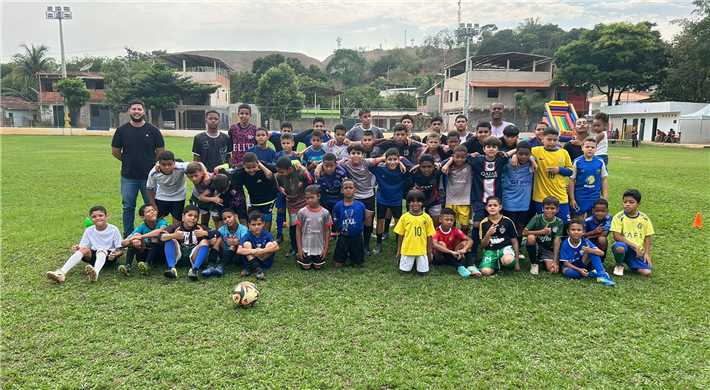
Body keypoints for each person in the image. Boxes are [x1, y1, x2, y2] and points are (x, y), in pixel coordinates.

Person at [111, 100, 165, 237]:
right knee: (128, 207)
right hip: (128, 176)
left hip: (149, 177)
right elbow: (115, 151)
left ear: (144, 111)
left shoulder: (153, 130)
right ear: (129, 111)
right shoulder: (122, 131)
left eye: (139, 109)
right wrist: (128, 160)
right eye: (134, 109)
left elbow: (160, 150)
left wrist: (152, 163)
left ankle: (154, 234)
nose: (136, 111)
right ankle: (129, 235)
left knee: (152, 207)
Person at [323, 143, 384, 255]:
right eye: (353, 153)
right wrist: (318, 167)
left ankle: (365, 245)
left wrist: (400, 162)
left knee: (368, 221)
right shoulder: (345, 163)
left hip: (368, 195)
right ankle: (350, 245)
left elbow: (384, 157)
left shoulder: (367, 162)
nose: (356, 156)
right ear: (349, 154)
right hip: (354, 197)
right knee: (352, 220)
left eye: (358, 153)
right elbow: (331, 163)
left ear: (363, 155)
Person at [47, 205, 123, 283]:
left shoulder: (113, 229)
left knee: (101, 250)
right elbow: (83, 247)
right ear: (91, 219)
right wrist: (77, 248)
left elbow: (120, 249)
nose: (97, 218)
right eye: (94, 217)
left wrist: (115, 254)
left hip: (109, 257)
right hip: (93, 256)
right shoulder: (89, 230)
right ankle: (61, 273)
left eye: (100, 215)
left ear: (107, 216)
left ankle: (95, 273)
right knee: (84, 249)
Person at [530, 127, 573, 222]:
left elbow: (570, 171)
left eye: (555, 140)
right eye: (549, 139)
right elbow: (521, 150)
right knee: (542, 223)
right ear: (542, 139)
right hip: (541, 197)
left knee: (565, 223)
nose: (552, 142)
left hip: (560, 196)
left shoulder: (564, 152)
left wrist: (559, 169)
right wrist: (529, 158)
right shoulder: (536, 151)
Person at [227, 152, 278, 233]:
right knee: (252, 217)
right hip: (254, 200)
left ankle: (266, 235)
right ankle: (254, 235)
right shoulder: (240, 172)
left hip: (269, 198)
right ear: (243, 165)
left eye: (254, 167)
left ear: (258, 163)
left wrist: (261, 166)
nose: (251, 170)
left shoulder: (264, 166)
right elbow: (229, 172)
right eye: (248, 168)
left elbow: (271, 173)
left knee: (266, 216)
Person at [372, 148, 409, 254]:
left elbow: (412, 166)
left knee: (399, 222)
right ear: (385, 160)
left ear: (398, 159)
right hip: (382, 199)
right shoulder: (380, 169)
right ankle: (379, 244)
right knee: (380, 220)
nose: (392, 162)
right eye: (389, 159)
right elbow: (369, 163)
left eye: (395, 159)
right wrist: (382, 158)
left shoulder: (403, 170)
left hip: (396, 200)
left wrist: (401, 162)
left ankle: (399, 243)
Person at [160, 205, 213, 280]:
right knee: (170, 239)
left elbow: (216, 233)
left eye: (196, 216)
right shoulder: (176, 226)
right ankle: (171, 268)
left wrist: (205, 233)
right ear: (183, 216)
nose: (193, 218)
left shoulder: (200, 228)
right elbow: (161, 236)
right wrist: (174, 235)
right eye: (190, 215)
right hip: (178, 257)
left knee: (205, 241)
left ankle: (194, 270)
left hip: (194, 257)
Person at [610, 189, 654, 277]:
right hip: (625, 247)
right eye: (625, 202)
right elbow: (617, 236)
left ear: (638, 204)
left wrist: (647, 254)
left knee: (647, 273)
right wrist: (634, 246)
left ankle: (631, 263)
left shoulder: (644, 218)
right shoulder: (618, 217)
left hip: (637, 252)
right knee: (619, 248)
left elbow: (647, 237)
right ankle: (619, 264)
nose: (627, 204)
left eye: (631, 202)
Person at [276, 156, 313, 257]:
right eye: (279, 171)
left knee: (306, 225)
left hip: (303, 202)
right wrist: (281, 189)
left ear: (290, 169)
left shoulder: (300, 172)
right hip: (291, 204)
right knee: (293, 226)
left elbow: (310, 180)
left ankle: (308, 246)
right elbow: (277, 184)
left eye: (282, 172)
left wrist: (304, 170)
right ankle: (294, 247)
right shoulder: (279, 176)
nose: (280, 174)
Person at [559, 219, 615, 286]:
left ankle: (602, 275)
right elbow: (565, 263)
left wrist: (589, 250)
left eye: (579, 230)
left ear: (583, 232)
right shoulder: (565, 244)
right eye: (573, 230)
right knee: (569, 273)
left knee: (593, 251)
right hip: (571, 266)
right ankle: (592, 273)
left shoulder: (585, 241)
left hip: (583, 263)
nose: (576, 232)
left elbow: (601, 253)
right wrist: (579, 270)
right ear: (568, 232)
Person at [119, 204, 168, 276]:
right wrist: (132, 239)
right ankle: (127, 267)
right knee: (133, 242)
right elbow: (123, 243)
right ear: (143, 217)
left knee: (154, 239)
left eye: (153, 210)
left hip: (160, 254)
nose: (152, 212)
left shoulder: (162, 222)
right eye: (148, 211)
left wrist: (141, 236)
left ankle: (147, 265)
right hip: (144, 254)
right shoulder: (141, 227)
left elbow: (159, 231)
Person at [394, 190, 435, 275]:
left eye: (418, 201)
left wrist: (429, 252)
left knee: (423, 273)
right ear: (408, 203)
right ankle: (408, 263)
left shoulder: (427, 218)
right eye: (412, 201)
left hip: (422, 251)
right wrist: (399, 251)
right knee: (404, 272)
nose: (415, 204)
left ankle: (419, 264)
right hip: (407, 250)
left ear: (422, 203)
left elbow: (429, 236)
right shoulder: (404, 217)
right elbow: (400, 236)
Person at [502, 141, 535, 241]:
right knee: (508, 226)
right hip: (508, 201)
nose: (523, 156)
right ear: (516, 153)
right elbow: (501, 156)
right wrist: (514, 154)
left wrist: (532, 159)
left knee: (520, 226)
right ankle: (507, 246)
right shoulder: (507, 162)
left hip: (524, 203)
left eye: (526, 154)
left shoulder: (532, 164)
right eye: (520, 154)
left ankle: (518, 247)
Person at [432, 207, 479, 278]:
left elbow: (470, 240)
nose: (449, 222)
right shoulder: (436, 232)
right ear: (440, 220)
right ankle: (460, 267)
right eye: (446, 219)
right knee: (442, 244)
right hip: (440, 257)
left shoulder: (455, 230)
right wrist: (451, 252)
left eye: (451, 220)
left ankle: (471, 266)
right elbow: (434, 245)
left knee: (465, 243)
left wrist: (464, 249)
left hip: (453, 254)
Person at [478, 197, 520, 276]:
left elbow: (514, 241)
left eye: (495, 205)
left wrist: (517, 262)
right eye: (490, 205)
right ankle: (496, 263)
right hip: (490, 251)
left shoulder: (508, 221)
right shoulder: (483, 223)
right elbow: (482, 245)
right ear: (486, 208)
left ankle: (502, 261)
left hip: (505, 249)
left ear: (500, 207)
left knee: (508, 260)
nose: (492, 207)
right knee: (485, 272)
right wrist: (488, 234)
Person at [569, 137, 608, 218]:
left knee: (593, 219)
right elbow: (572, 180)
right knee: (579, 220)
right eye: (587, 147)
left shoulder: (600, 161)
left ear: (596, 149)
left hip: (594, 196)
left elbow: (604, 179)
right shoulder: (577, 161)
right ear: (582, 148)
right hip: (580, 196)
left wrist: (605, 197)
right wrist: (572, 199)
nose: (590, 149)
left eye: (593, 147)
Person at [523, 196, 564, 275]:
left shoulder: (559, 222)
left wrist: (555, 261)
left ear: (557, 210)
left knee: (553, 270)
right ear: (542, 209)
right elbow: (524, 232)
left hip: (548, 249)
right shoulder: (537, 218)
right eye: (547, 208)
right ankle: (534, 263)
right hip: (537, 245)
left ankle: (542, 261)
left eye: (552, 208)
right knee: (531, 237)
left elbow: (557, 241)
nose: (549, 210)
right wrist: (541, 232)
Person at [296, 185, 332, 270]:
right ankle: (300, 256)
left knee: (318, 267)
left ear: (319, 196)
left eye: (312, 197)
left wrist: (325, 248)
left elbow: (327, 231)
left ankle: (317, 255)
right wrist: (299, 249)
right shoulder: (302, 212)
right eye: (307, 198)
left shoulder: (325, 213)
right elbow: (298, 231)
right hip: (306, 247)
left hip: (319, 247)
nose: (309, 200)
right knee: (306, 267)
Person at [204, 208, 248, 277]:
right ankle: (210, 265)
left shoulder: (243, 229)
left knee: (233, 245)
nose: (227, 220)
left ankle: (221, 266)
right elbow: (215, 236)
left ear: (235, 216)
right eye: (224, 219)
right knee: (218, 239)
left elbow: (246, 243)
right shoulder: (222, 229)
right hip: (224, 253)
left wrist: (238, 242)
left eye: (229, 217)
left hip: (237, 256)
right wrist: (212, 240)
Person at [332, 179, 367, 268]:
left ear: (355, 189)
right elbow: (336, 220)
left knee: (358, 264)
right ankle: (344, 256)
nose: (348, 190)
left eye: (350, 187)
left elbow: (363, 219)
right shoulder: (338, 206)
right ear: (342, 190)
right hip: (343, 236)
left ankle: (353, 256)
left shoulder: (360, 205)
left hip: (356, 237)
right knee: (337, 265)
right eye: (345, 188)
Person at [237, 211, 280, 280]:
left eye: (259, 224)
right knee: (246, 244)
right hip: (252, 260)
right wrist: (255, 251)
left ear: (263, 224)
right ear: (249, 225)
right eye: (253, 225)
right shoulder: (247, 235)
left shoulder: (267, 234)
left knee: (270, 244)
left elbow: (276, 247)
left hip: (265, 260)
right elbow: (239, 250)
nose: (256, 227)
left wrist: (262, 251)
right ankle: (257, 269)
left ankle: (254, 268)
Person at [146, 150, 187, 223]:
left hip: (178, 197)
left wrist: (205, 174)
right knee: (156, 221)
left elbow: (197, 165)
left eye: (169, 164)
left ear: (174, 163)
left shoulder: (181, 167)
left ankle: (173, 234)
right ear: (159, 163)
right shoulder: (153, 173)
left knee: (177, 223)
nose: (167, 167)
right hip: (161, 197)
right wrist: (153, 204)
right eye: (163, 164)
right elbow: (150, 189)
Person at [274, 132, 301, 242]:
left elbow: (300, 172)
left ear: (293, 143)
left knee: (293, 212)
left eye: (288, 143)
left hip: (293, 189)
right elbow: (275, 173)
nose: (286, 145)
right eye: (283, 143)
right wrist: (280, 188)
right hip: (281, 189)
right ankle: (279, 234)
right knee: (280, 210)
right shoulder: (277, 155)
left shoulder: (296, 156)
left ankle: (294, 234)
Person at [441, 145, 473, 234]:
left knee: (465, 225)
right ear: (453, 156)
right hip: (450, 199)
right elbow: (442, 167)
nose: (459, 159)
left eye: (462, 157)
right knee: (449, 223)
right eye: (457, 157)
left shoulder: (470, 166)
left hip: (464, 200)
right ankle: (451, 240)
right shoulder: (448, 166)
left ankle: (464, 240)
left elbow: (476, 157)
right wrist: (449, 161)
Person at [186, 162, 229, 228]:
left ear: (202, 172)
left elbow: (227, 165)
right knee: (202, 216)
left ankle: (218, 234)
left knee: (217, 218)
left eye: (196, 176)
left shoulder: (210, 179)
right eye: (191, 177)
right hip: (199, 198)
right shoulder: (200, 177)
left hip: (209, 198)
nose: (194, 179)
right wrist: (213, 199)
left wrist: (209, 173)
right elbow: (201, 198)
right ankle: (204, 230)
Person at [410, 154, 443, 223]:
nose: (426, 169)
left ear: (434, 166)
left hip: (434, 199)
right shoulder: (414, 172)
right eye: (423, 167)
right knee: (416, 221)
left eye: (429, 166)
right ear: (419, 166)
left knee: (435, 222)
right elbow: (401, 159)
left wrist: (438, 163)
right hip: (418, 200)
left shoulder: (437, 171)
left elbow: (452, 158)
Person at [316, 153, 347, 217]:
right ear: (323, 165)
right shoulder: (319, 173)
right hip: (324, 201)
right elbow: (317, 189)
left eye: (331, 166)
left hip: (338, 201)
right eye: (326, 166)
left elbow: (344, 189)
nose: (329, 168)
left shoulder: (341, 173)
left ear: (336, 165)